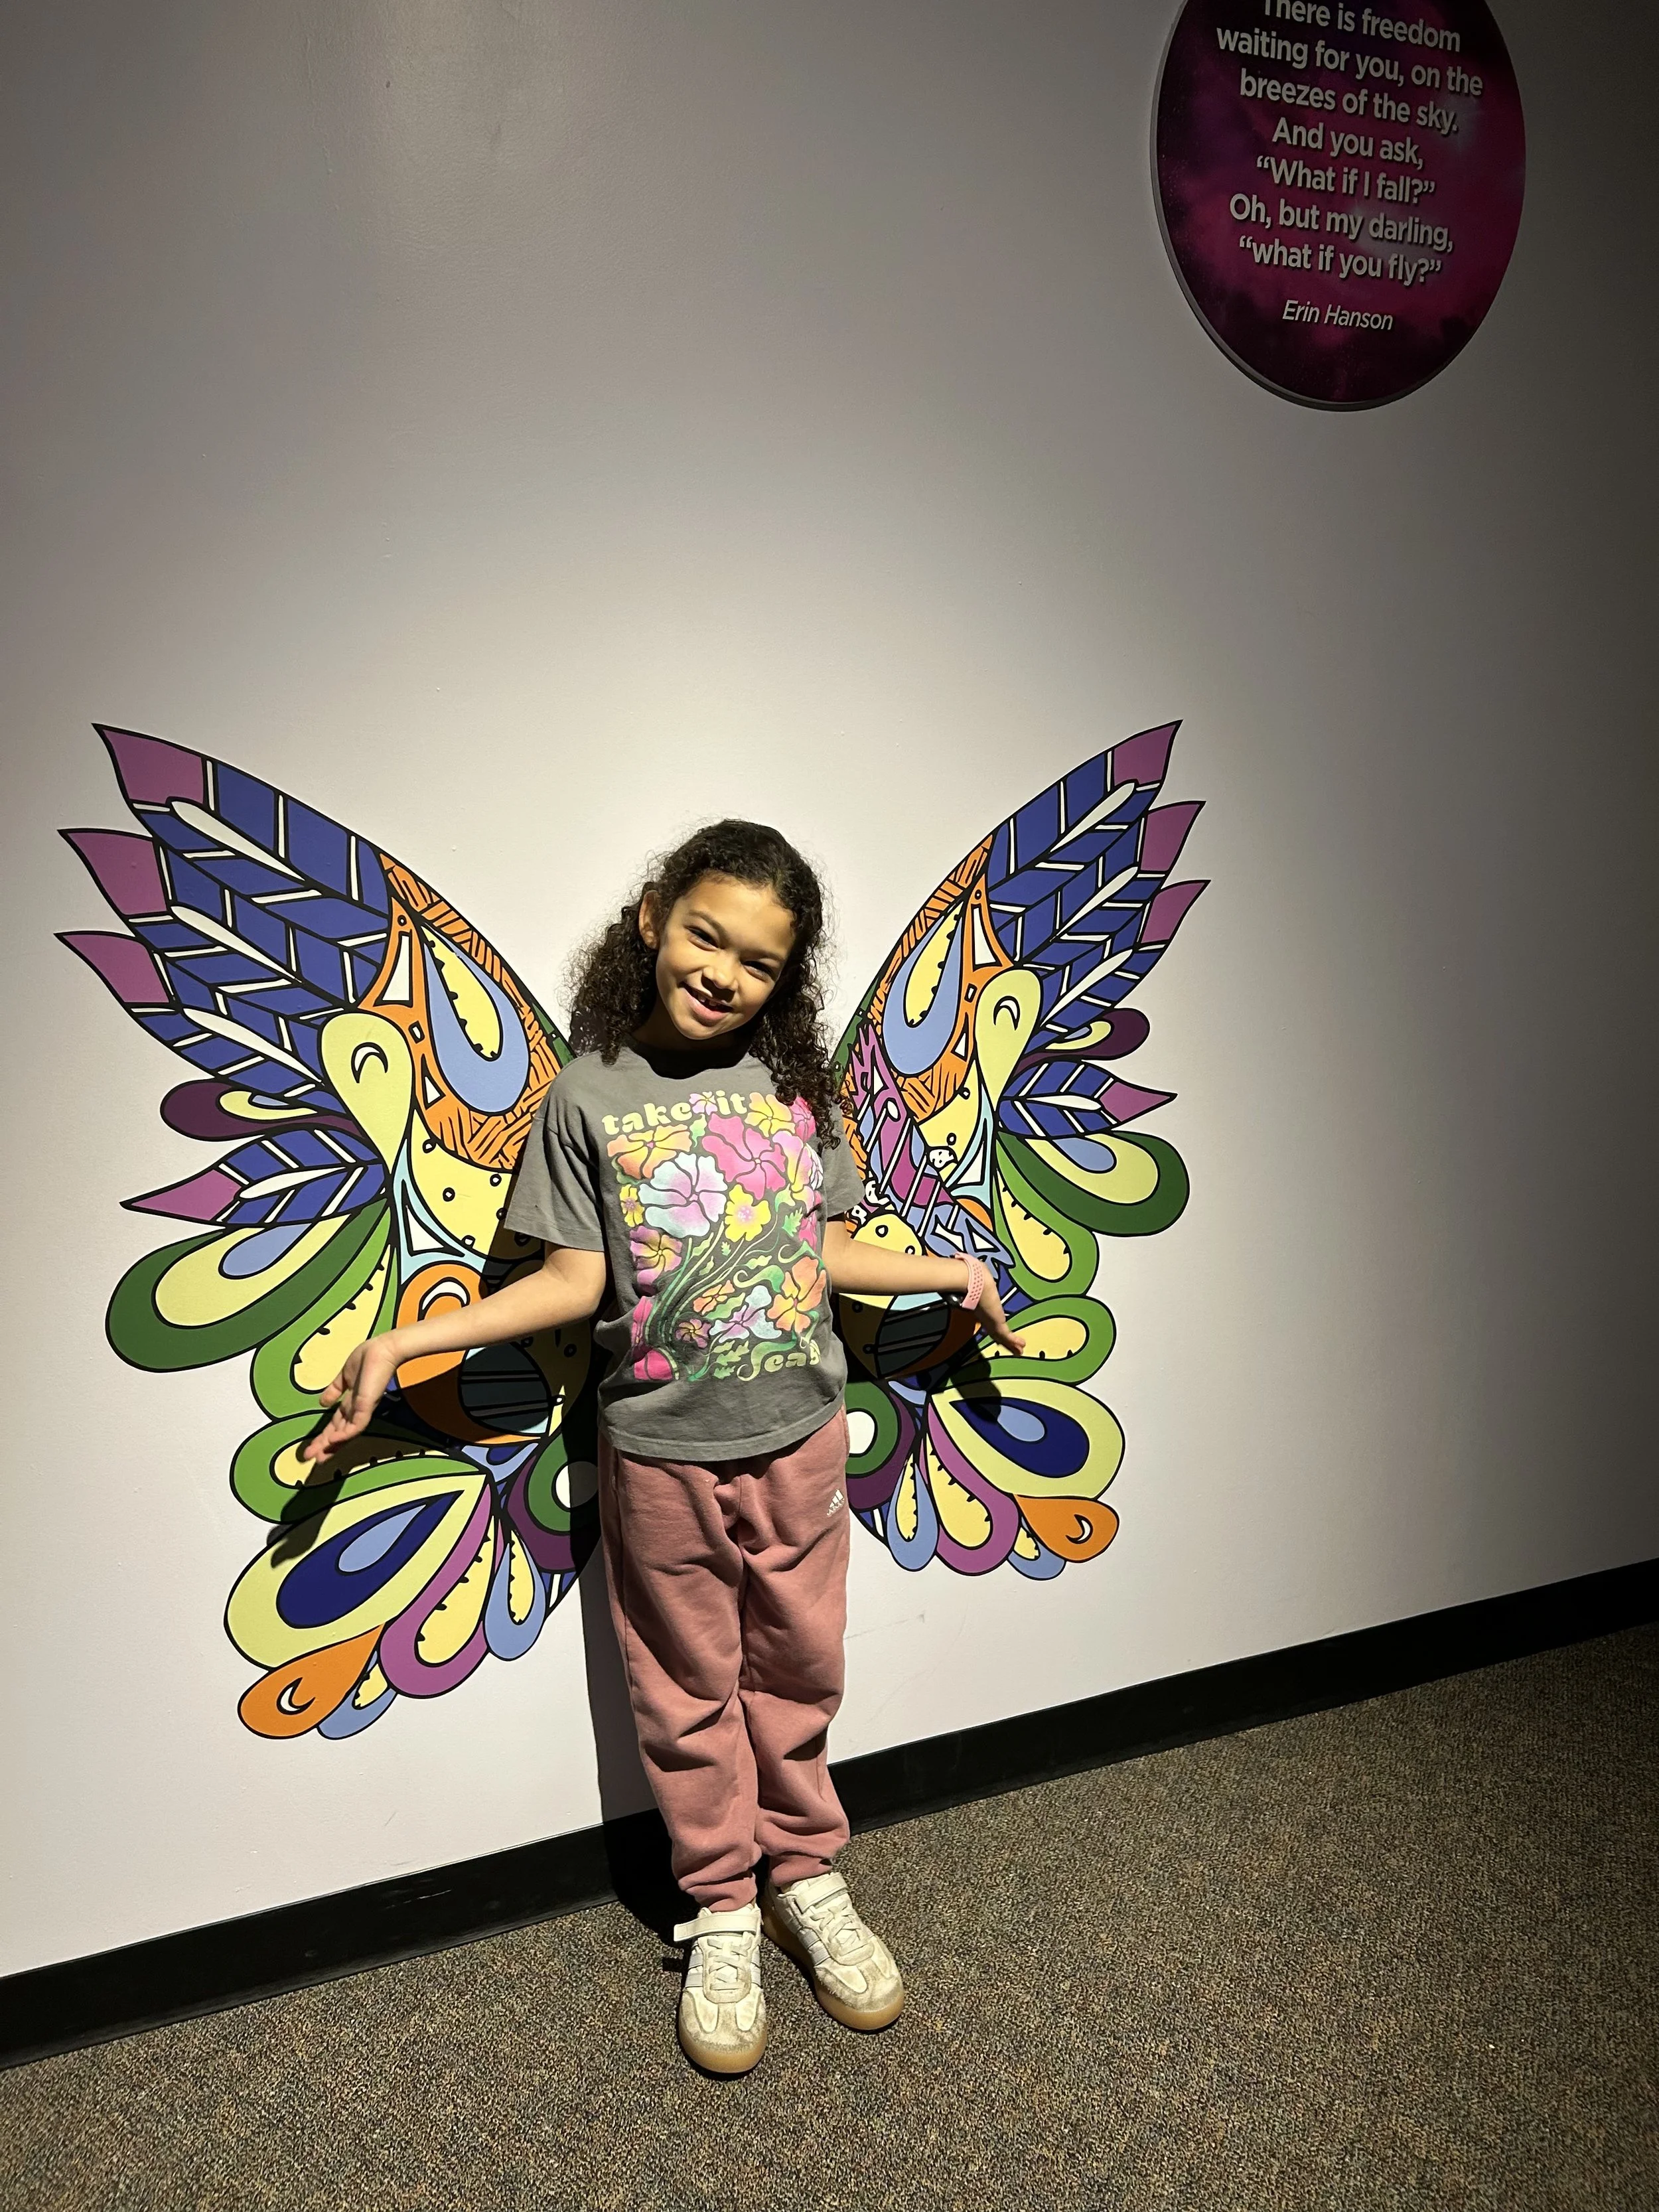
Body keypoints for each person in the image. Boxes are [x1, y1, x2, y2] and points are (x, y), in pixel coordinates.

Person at [300, 819, 1024, 2075]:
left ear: (783, 979)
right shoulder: (586, 1098)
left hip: (802, 1439)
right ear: (653, 920)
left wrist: (946, 1270)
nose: (723, 974)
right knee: (687, 1690)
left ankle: (806, 1875)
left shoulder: (796, 1093)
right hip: (660, 1455)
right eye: (705, 935)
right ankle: (724, 1905)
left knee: (800, 1669)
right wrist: (406, 1343)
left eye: (758, 961)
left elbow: (824, 1251)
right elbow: (572, 1282)